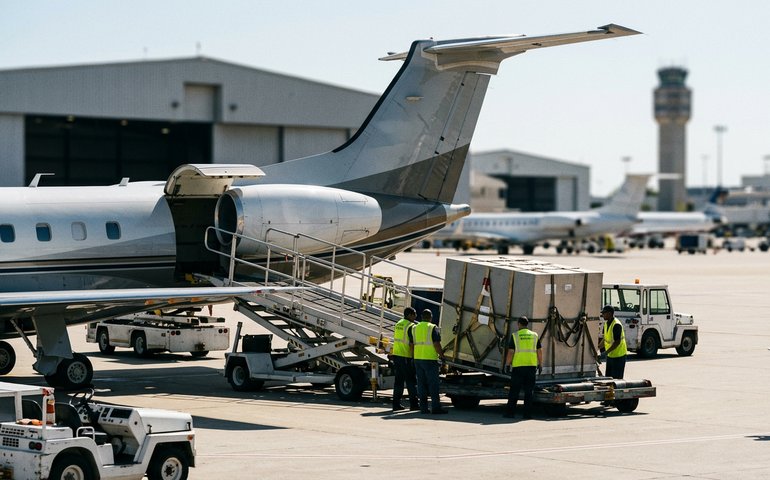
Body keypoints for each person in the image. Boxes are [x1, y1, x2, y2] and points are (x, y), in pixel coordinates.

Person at [504, 316, 543, 419]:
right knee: (529, 392)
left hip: (518, 367)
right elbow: (539, 351)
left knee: (514, 391)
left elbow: (511, 352)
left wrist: (507, 365)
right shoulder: (534, 335)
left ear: (519, 324)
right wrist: (540, 364)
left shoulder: (515, 336)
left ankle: (510, 413)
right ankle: (527, 414)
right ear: (527, 324)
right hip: (531, 366)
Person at [410, 309, 447, 414]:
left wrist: (413, 357)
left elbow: (411, 344)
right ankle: (436, 407)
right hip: (430, 359)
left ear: (422, 317)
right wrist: (441, 355)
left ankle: (423, 408)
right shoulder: (432, 328)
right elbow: (436, 344)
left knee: (421, 384)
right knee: (433, 384)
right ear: (431, 318)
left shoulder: (414, 328)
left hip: (418, 359)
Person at [391, 307, 419, 412]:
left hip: (396, 354)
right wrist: (413, 356)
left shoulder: (398, 323)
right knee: (411, 381)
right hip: (406, 356)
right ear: (409, 315)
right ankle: (414, 404)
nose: (415, 316)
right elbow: (411, 343)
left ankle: (396, 404)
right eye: (414, 314)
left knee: (398, 381)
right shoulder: (411, 326)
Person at [600, 305, 627, 379]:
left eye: (604, 313)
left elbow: (617, 342)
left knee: (616, 379)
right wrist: (598, 347)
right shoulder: (606, 324)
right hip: (610, 356)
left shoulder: (616, 325)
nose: (602, 315)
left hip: (618, 356)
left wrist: (606, 352)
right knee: (608, 378)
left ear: (609, 314)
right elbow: (605, 338)